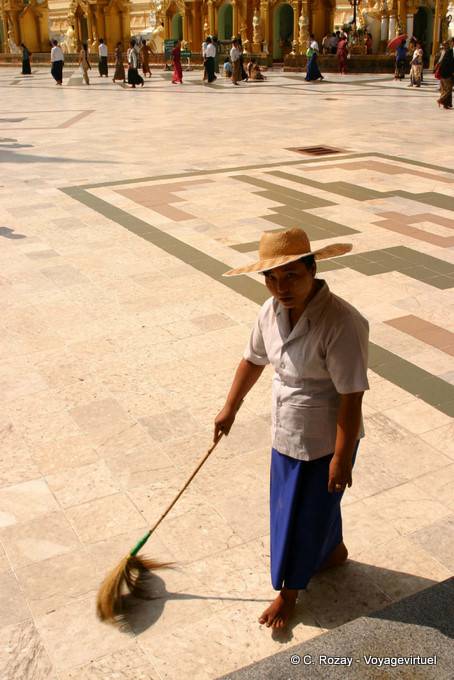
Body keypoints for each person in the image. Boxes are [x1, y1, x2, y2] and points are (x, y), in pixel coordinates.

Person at [214, 228, 369, 630]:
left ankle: (289, 592)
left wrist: (340, 457)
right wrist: (230, 407)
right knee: (308, 507)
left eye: (292, 276)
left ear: (313, 270)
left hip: (325, 438)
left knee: (300, 516)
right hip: (287, 430)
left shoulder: (342, 322)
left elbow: (351, 397)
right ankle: (332, 552)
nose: (281, 287)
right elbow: (252, 360)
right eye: (272, 278)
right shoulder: (269, 311)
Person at [437, 38, 454, 109]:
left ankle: (446, 104)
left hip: (443, 72)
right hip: (447, 73)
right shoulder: (450, 51)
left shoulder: (447, 51)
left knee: (444, 89)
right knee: (448, 89)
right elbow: (451, 63)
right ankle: (441, 100)